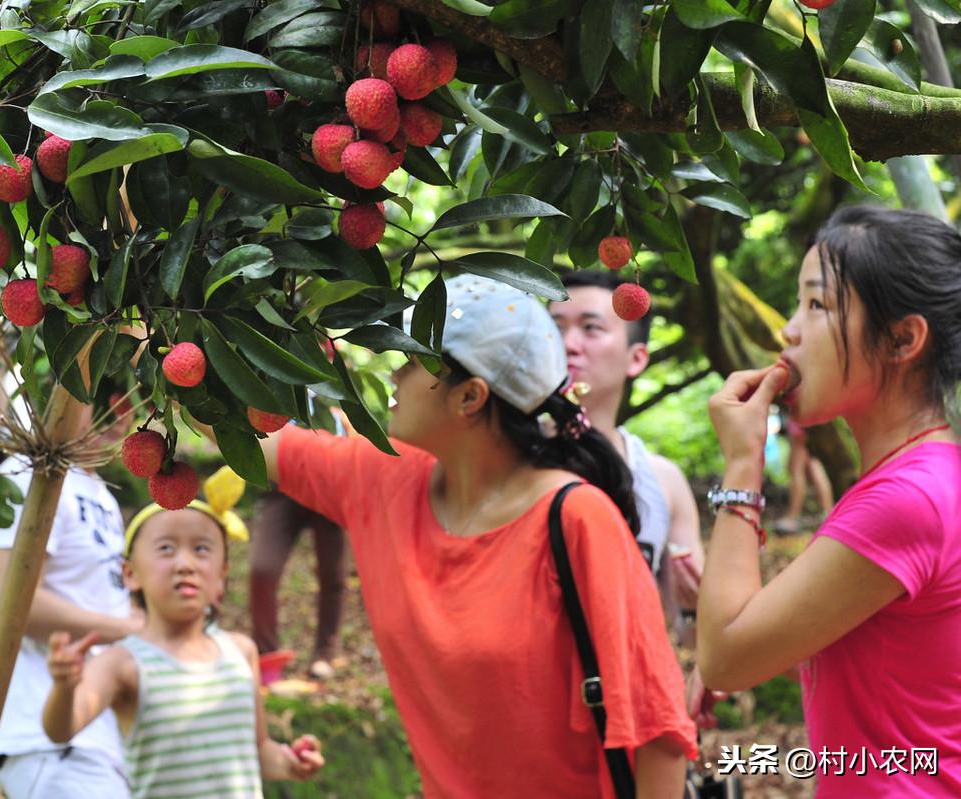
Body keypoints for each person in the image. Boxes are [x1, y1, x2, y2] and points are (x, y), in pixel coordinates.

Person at [201, 275, 697, 797]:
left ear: (469, 397)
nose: (394, 372)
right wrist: (152, 328)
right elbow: (247, 433)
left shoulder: (577, 520)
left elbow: (657, 732)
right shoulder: (386, 475)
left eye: (412, 359)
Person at [699, 205, 961, 797]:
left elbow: (723, 658)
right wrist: (757, 640)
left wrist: (742, 465)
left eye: (816, 305)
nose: (789, 330)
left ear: (902, 339)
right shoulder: (918, 476)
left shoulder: (907, 499)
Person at [42, 466, 325, 796]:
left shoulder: (241, 651)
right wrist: (64, 687)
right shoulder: (124, 663)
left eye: (202, 549)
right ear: (130, 573)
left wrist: (289, 761)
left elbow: (258, 749)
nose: (185, 564)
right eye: (166, 549)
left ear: (221, 574)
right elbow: (60, 730)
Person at [0, 399, 142, 799]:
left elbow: (104, 598)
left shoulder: (100, 491)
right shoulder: (30, 479)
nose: (116, 411)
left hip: (100, 729)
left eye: (130, 400)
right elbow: (16, 606)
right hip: (48, 742)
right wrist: (136, 632)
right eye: (104, 392)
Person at [550, 270, 706, 630]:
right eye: (555, 326)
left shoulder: (662, 483)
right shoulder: (504, 456)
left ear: (636, 359)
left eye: (591, 328)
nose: (568, 343)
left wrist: (697, 609)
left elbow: (690, 635)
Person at [249, 490, 348, 679]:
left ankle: (325, 654)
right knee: (262, 570)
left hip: (326, 487)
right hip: (284, 486)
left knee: (333, 576)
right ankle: (267, 655)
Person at [773, 414, 835, 533]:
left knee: (796, 469)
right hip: (809, 424)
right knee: (813, 465)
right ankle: (829, 513)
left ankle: (792, 517)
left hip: (801, 423)